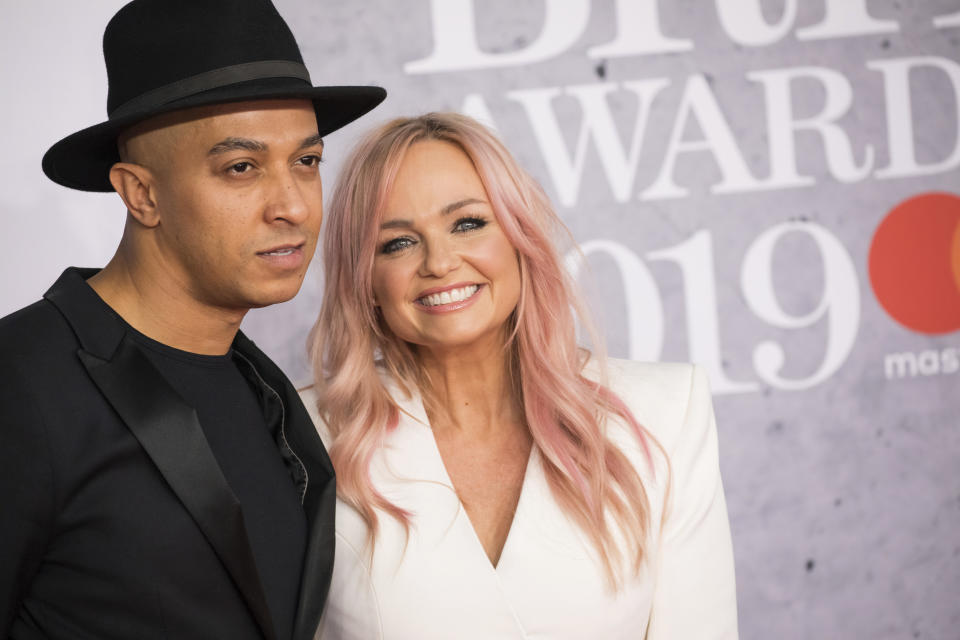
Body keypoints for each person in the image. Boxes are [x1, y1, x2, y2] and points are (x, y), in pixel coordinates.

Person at [0, 1, 385, 638]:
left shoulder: (267, 393)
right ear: (140, 193)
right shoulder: (20, 381)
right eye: (241, 168)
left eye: (307, 161)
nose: (291, 205)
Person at [301, 112, 739, 639]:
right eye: (397, 243)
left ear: (520, 238)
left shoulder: (667, 411)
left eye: (467, 223)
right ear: (365, 278)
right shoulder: (303, 436)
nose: (439, 262)